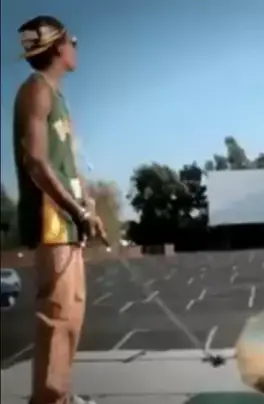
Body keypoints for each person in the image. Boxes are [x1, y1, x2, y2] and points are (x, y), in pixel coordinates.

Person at [13, 16, 106, 404]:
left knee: (70, 316)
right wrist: (77, 211)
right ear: (57, 48)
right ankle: (49, 400)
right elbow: (36, 162)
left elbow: (65, 162)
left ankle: (60, 396)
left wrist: (88, 206)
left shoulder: (57, 96)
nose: (76, 47)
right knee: (57, 316)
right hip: (52, 222)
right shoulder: (36, 90)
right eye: (73, 41)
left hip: (67, 221)